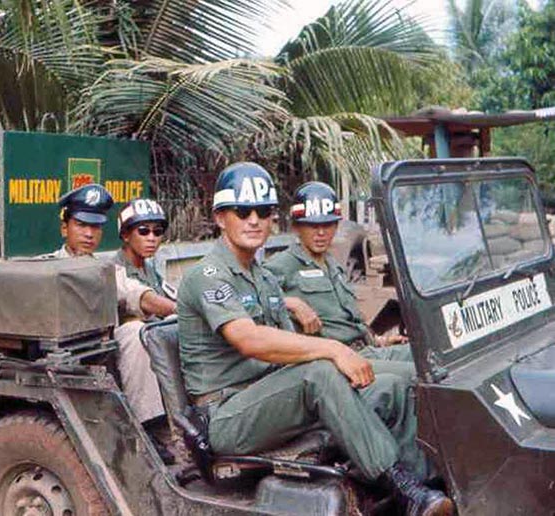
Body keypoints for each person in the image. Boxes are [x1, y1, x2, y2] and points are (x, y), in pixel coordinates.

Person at [177, 162, 453, 516]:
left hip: (271, 395)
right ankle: (402, 486)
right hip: (227, 414)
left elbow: (286, 342)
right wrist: (335, 349)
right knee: (320, 371)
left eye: (263, 212)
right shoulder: (207, 275)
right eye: (242, 211)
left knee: (392, 384)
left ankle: (427, 485)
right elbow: (249, 339)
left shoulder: (262, 278)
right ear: (219, 218)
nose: (253, 220)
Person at [0, 184, 176, 461]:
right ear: (65, 228)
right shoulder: (45, 265)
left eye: (95, 227)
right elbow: (10, 278)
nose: (88, 234)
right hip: (52, 358)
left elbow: (137, 294)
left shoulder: (106, 271)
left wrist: (178, 310)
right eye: (81, 225)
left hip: (97, 352)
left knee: (136, 331)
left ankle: (147, 431)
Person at [264, 181, 414, 377]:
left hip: (367, 350)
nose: (320, 233)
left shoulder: (333, 265)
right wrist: (288, 302)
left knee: (431, 357)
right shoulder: (283, 263)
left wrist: (379, 341)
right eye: (312, 225)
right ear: (296, 227)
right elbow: (248, 295)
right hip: (336, 364)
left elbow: (346, 320)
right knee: (416, 376)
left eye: (327, 225)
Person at [115, 198, 177, 303]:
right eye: (143, 231)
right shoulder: (114, 270)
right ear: (126, 235)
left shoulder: (148, 268)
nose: (151, 238)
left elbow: (173, 296)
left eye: (158, 231)